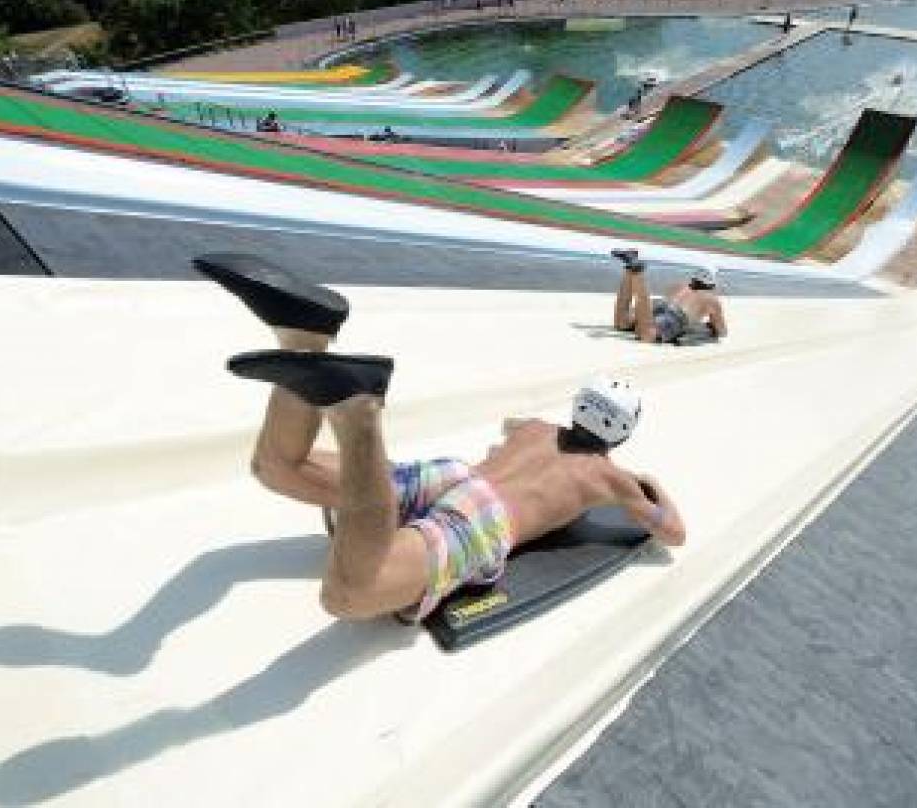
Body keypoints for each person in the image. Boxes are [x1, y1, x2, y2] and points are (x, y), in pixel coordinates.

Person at [193, 253, 687, 621]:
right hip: (485, 517)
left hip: (453, 475)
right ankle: (357, 412)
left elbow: (507, 430)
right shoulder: (611, 478)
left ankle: (306, 338)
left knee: (278, 469)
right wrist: (649, 484)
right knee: (350, 594)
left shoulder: (537, 428)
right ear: (621, 433)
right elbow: (672, 532)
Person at [610, 249, 725, 345]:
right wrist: (708, 327)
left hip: (659, 305)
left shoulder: (680, 285)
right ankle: (637, 273)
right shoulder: (711, 299)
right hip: (675, 315)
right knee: (647, 335)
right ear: (712, 284)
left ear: (695, 278)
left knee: (622, 323)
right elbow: (721, 330)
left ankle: (629, 269)